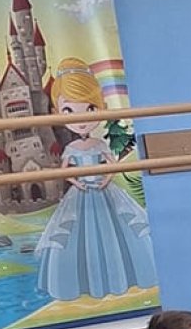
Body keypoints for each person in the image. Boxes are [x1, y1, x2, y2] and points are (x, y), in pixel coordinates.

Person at [32, 124, 157, 306]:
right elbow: (65, 171)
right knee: (76, 232)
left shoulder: (99, 144)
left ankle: (121, 278)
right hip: (82, 192)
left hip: (102, 189)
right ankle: (85, 284)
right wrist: (77, 183)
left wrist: (106, 180)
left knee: (113, 230)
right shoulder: (71, 148)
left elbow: (112, 166)